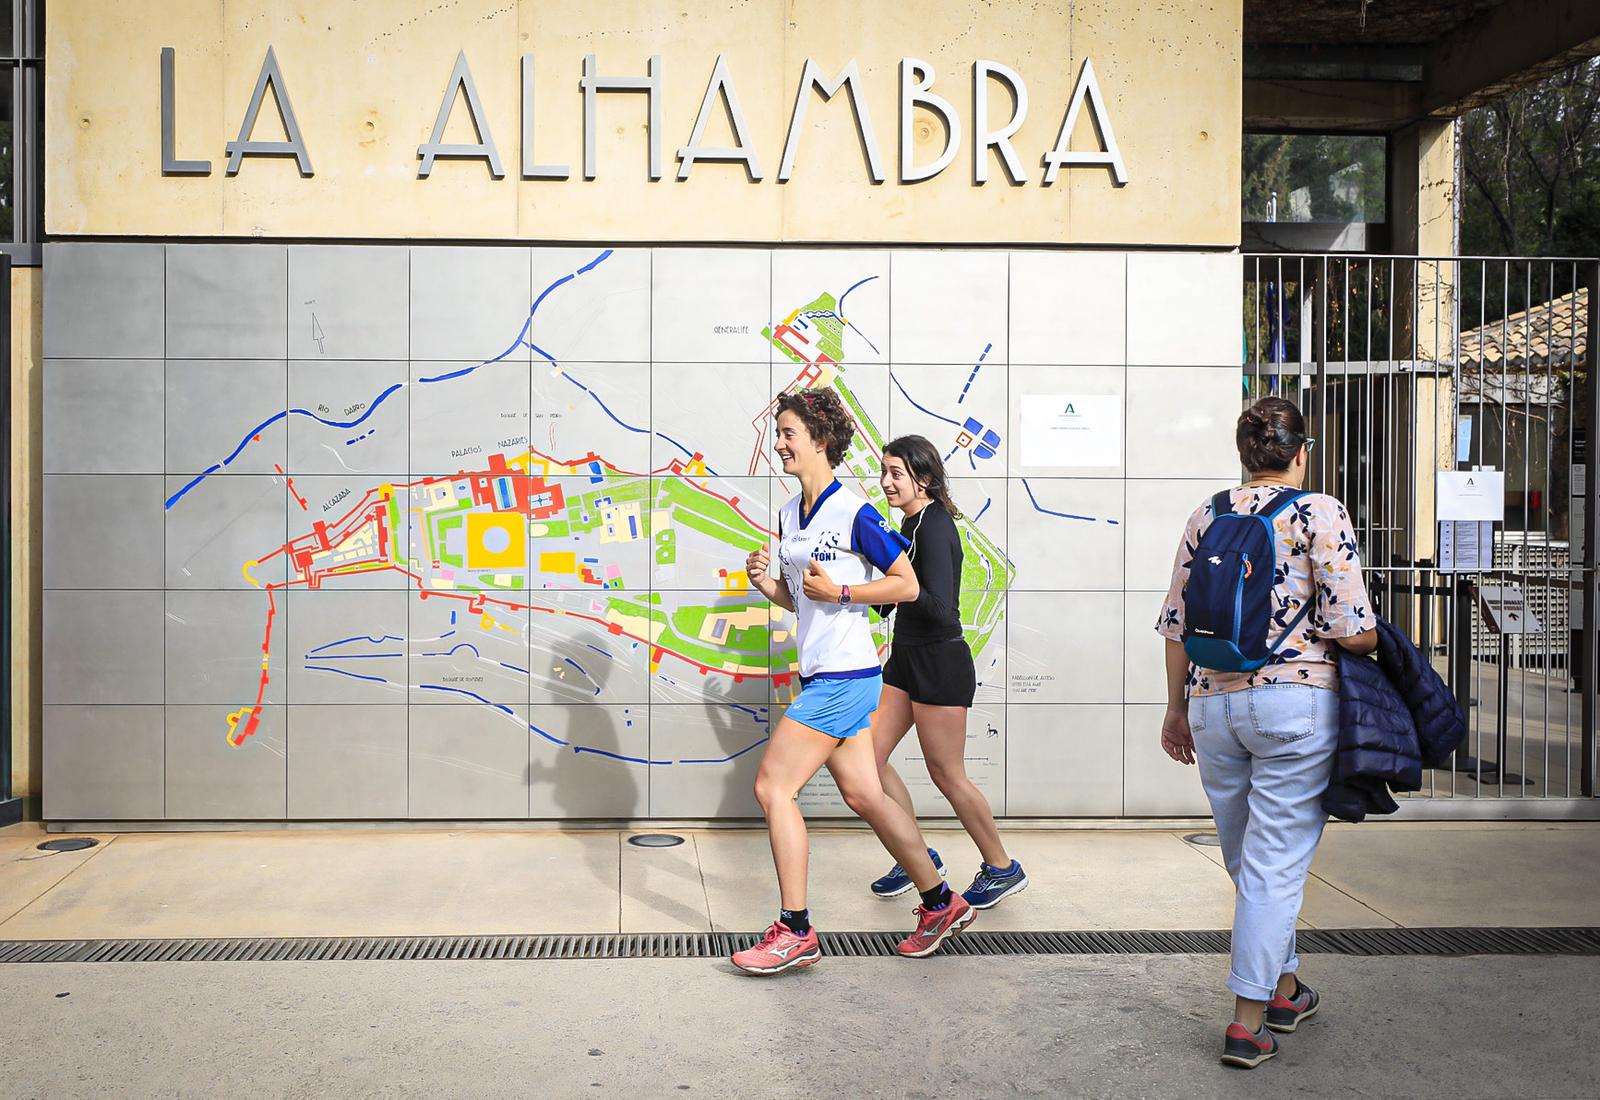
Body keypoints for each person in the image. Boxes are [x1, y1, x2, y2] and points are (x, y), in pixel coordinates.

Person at [1155, 397, 1377, 1069]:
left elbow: (1177, 624)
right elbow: (1350, 628)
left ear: (1245, 454)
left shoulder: (1210, 513)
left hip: (1211, 705)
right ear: (1300, 452)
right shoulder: (1320, 512)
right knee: (1275, 864)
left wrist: (1174, 709)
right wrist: (1378, 641)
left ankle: (1284, 990)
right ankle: (1247, 1022)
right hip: (1294, 706)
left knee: (1249, 860)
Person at [731, 390, 976, 975]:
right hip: (824, 669)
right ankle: (940, 901)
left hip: (846, 675)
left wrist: (843, 592)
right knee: (866, 794)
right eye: (781, 434)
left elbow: (907, 584)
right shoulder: (791, 513)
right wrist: (769, 584)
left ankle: (795, 930)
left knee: (772, 788)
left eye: (789, 434)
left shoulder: (856, 513)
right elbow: (803, 600)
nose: (781, 445)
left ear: (820, 440)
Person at [865, 435, 1026, 909]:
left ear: (925, 479)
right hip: (906, 658)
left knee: (946, 773)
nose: (887, 482)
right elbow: (908, 595)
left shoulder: (934, 526)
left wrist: (883, 588)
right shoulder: (910, 524)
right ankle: (916, 855)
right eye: (885, 471)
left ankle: (1002, 867)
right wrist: (888, 592)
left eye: (897, 473)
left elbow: (939, 607)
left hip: (938, 659)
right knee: (867, 761)